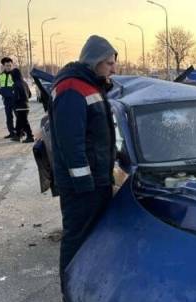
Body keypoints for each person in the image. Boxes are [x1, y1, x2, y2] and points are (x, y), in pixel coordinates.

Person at [49, 35, 118, 285]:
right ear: (95, 61)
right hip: (81, 185)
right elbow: (71, 143)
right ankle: (71, 289)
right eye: (109, 63)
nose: (114, 68)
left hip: (96, 180)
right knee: (77, 237)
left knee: (93, 236)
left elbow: (99, 136)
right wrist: (83, 182)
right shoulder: (71, 89)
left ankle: (89, 285)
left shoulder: (92, 86)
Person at [10, 68, 34, 143]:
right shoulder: (25, 83)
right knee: (19, 121)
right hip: (26, 106)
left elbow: (15, 97)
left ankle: (30, 136)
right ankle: (18, 135)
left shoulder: (15, 84)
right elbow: (30, 95)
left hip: (19, 107)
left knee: (24, 122)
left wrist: (13, 103)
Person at [0, 57, 17, 139]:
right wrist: (2, 93)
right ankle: (11, 132)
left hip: (15, 99)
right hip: (6, 100)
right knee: (9, 117)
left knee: (18, 116)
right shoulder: (1, 75)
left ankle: (20, 131)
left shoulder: (15, 74)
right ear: (3, 66)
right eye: (7, 65)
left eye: (10, 65)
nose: (8, 67)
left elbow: (19, 85)